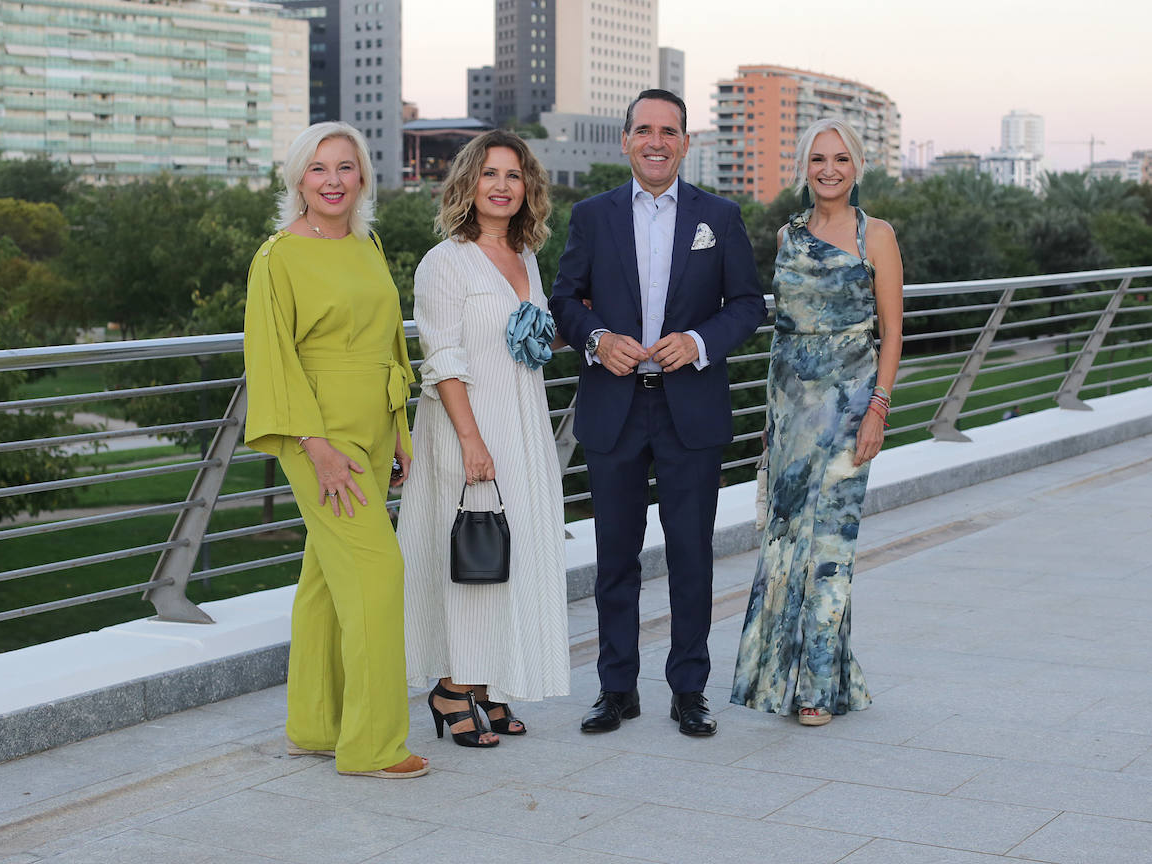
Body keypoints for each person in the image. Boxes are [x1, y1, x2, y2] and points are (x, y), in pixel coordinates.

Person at [550, 89, 766, 737]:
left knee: (692, 557)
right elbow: (564, 298)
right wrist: (597, 340)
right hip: (613, 410)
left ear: (685, 143)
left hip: (689, 412)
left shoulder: (719, 217)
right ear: (625, 140)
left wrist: (699, 343)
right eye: (644, 130)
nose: (655, 141)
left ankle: (688, 691)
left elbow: (748, 304)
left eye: (668, 131)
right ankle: (616, 690)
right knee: (614, 559)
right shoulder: (592, 215)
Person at [243, 121, 428, 778]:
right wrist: (315, 445)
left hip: (376, 426)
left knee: (323, 581)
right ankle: (373, 745)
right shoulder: (277, 257)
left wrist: (402, 432)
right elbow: (271, 358)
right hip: (319, 433)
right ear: (299, 178)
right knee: (379, 575)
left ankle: (313, 726)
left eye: (345, 168)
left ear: (362, 179)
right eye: (319, 168)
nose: (332, 180)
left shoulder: (366, 244)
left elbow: (391, 343)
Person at [398, 130, 570, 747]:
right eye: (490, 174)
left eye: (514, 175)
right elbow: (442, 357)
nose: (502, 186)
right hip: (467, 427)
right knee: (471, 560)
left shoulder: (525, 257)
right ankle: (454, 686)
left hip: (521, 423)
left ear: (529, 189)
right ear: (468, 183)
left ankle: (487, 683)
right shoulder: (445, 262)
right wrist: (471, 440)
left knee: (509, 556)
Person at [730, 118, 904, 726]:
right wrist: (772, 422)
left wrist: (878, 410)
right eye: (817, 160)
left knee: (830, 547)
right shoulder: (787, 236)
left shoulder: (876, 235)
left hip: (851, 410)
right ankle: (794, 677)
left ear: (857, 168)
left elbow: (892, 335)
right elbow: (781, 336)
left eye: (841, 160)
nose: (829, 170)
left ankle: (815, 687)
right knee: (784, 546)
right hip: (791, 413)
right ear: (804, 168)